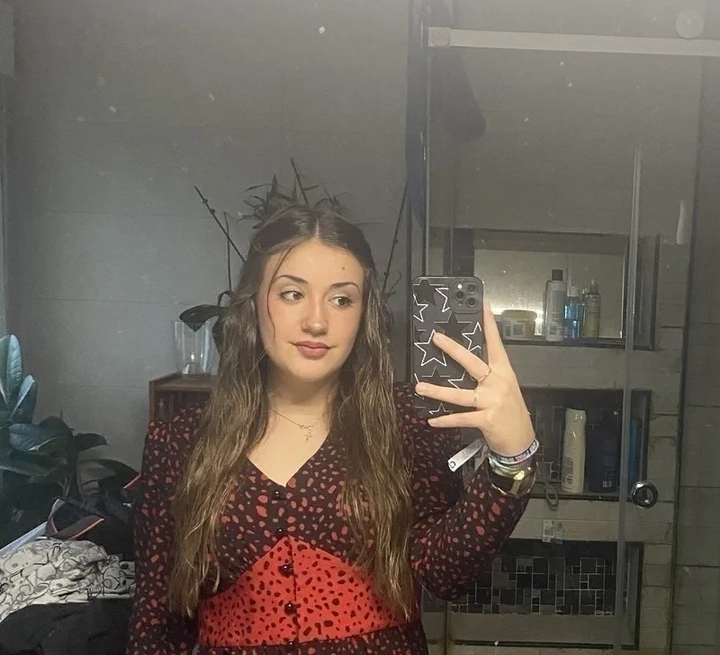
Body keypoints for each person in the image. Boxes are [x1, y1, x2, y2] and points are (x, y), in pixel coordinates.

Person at [127, 204, 537, 655]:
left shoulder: (407, 422)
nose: (317, 321)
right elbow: (157, 621)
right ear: (253, 301)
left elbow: (445, 574)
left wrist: (512, 459)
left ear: (363, 314)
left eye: (342, 300)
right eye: (292, 294)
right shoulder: (180, 440)